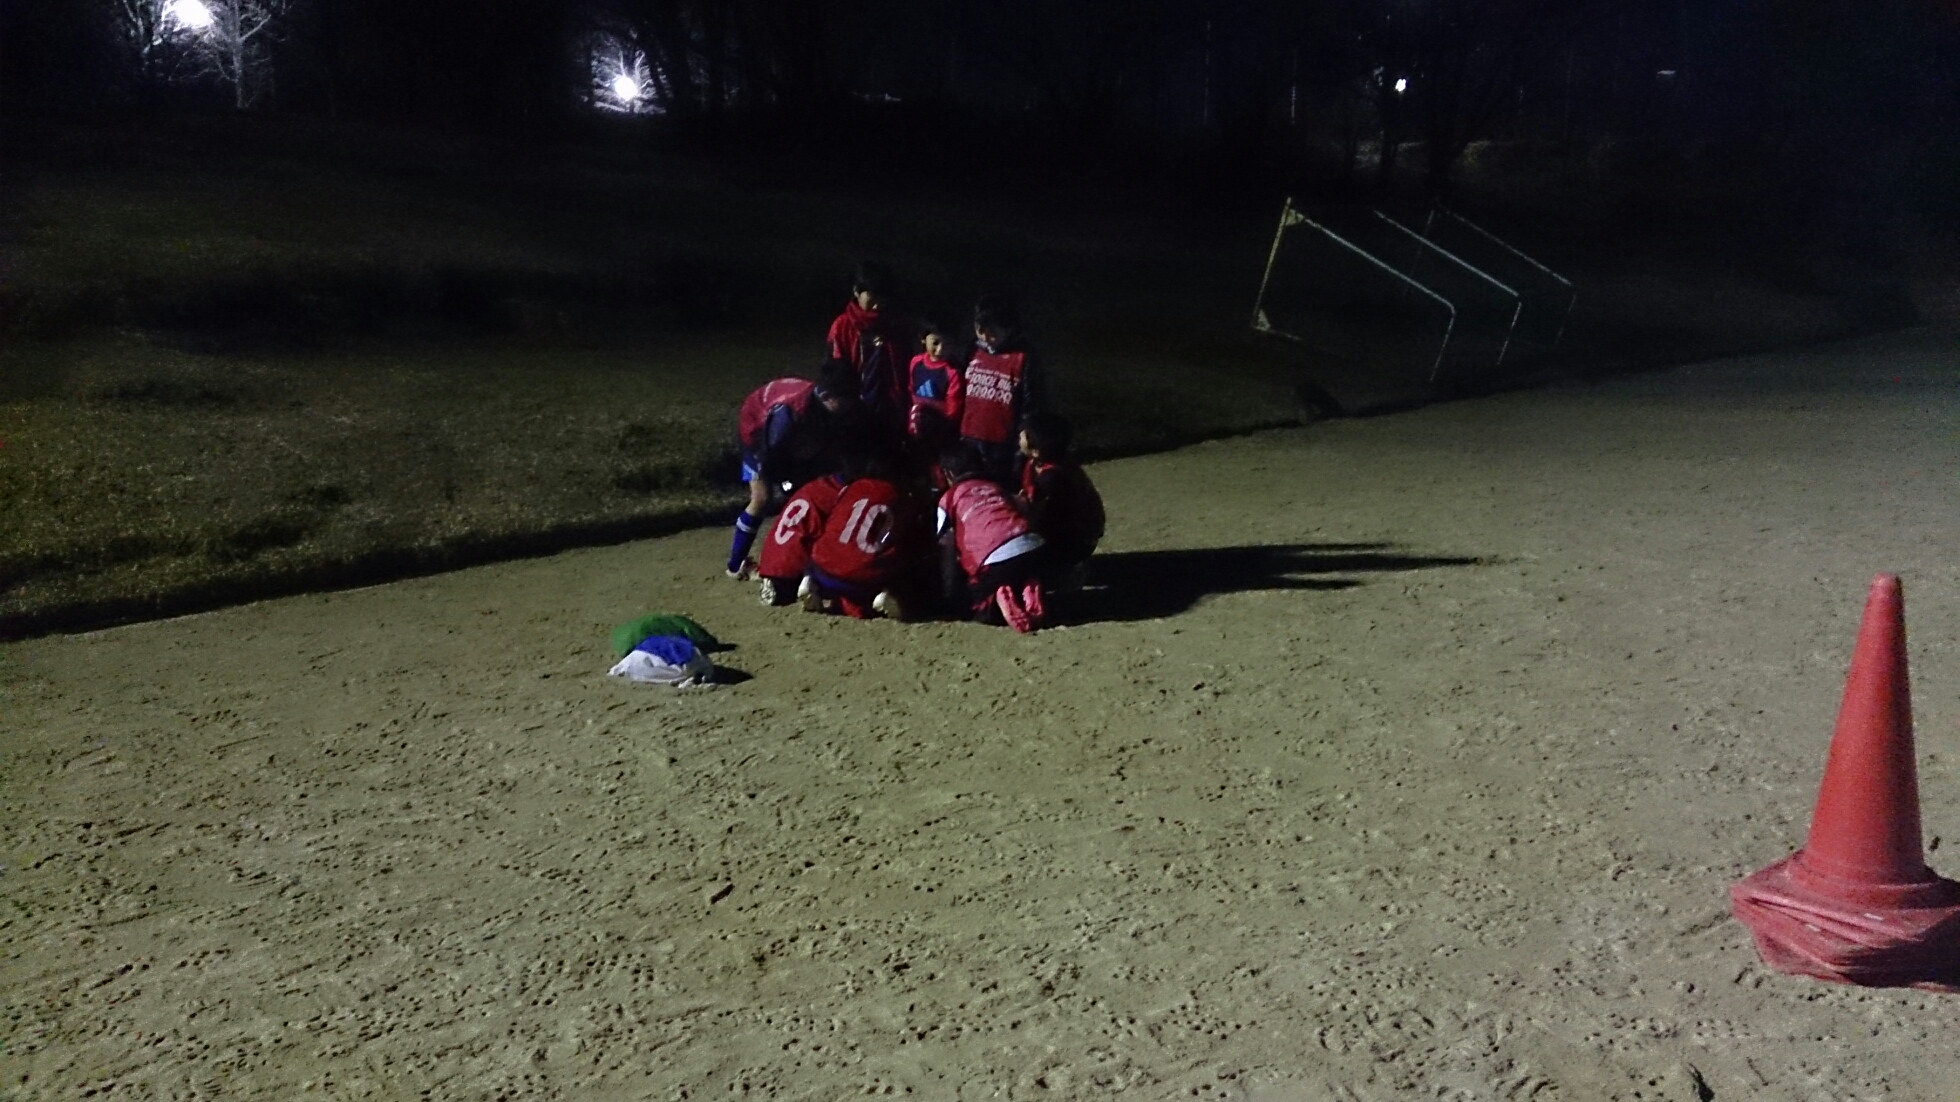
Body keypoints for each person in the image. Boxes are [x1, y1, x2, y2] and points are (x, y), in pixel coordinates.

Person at [726, 359, 859, 578]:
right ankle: (736, 564)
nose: (850, 405)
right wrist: (790, 484)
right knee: (762, 498)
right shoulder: (789, 414)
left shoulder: (825, 406)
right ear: (827, 396)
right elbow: (770, 458)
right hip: (757, 432)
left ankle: (810, 559)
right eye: (845, 400)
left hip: (790, 437)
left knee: (814, 488)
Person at [936, 443, 1049, 633]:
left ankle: (997, 598)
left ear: (948, 474)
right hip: (1034, 550)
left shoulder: (948, 498)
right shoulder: (996, 487)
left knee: (971, 603)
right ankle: (1029, 586)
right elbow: (1024, 508)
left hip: (995, 561)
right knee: (1021, 571)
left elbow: (941, 538)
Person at [803, 453, 926, 620]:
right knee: (899, 559)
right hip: (862, 580)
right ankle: (884, 595)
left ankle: (812, 582)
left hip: (823, 568)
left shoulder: (852, 487)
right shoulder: (901, 498)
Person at [959, 294, 1042, 484]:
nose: (985, 337)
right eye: (980, 330)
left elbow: (1031, 406)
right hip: (969, 439)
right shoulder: (972, 350)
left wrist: (1021, 451)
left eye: (992, 332)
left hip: (1002, 447)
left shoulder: (1024, 357)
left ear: (1009, 328)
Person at [1016, 411, 1104, 589]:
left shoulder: (1053, 478)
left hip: (1075, 539)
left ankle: (1066, 571)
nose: (1019, 435)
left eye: (1025, 433)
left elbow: (1042, 517)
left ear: (1036, 449)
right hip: (1070, 531)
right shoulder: (1042, 462)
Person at [826, 261, 915, 435]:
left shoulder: (896, 325)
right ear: (856, 292)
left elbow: (906, 369)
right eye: (872, 298)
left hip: (890, 411)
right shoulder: (843, 326)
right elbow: (833, 373)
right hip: (854, 411)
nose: (877, 306)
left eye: (882, 299)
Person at [754, 472, 847, 606]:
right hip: (796, 568)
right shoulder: (842, 493)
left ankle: (776, 583)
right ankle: (813, 580)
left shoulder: (815, 486)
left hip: (770, 566)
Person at [905, 316, 964, 447]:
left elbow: (953, 409)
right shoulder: (916, 362)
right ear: (923, 339)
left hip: (938, 430)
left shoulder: (952, 372)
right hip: (914, 424)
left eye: (947, 344)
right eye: (935, 343)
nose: (940, 349)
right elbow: (910, 390)